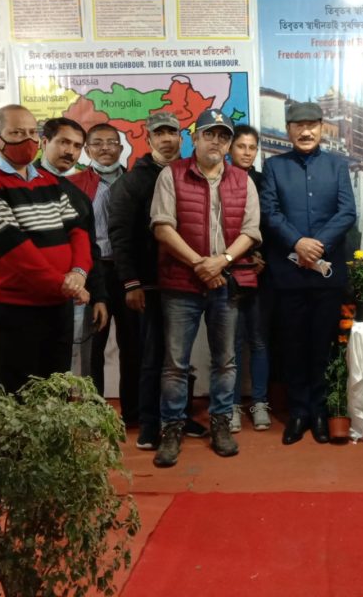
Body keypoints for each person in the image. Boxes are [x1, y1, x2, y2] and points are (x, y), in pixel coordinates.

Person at [150, 108, 261, 467]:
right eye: (209, 134)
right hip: (181, 283)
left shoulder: (242, 180)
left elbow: (251, 232)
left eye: (223, 136)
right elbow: (162, 227)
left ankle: (220, 424)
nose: (216, 141)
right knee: (175, 363)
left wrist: (221, 261)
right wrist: (201, 264)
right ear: (195, 137)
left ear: (229, 144)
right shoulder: (171, 174)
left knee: (225, 361)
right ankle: (172, 428)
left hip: (225, 281)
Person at [108, 111, 207, 450]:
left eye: (172, 133)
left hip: (185, 280)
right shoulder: (131, 182)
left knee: (179, 356)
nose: (166, 139)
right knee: (151, 358)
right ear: (148, 138)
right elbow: (119, 235)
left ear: (182, 137)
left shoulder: (190, 174)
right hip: (149, 284)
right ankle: (150, 424)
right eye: (159, 133)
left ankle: (178, 416)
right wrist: (131, 282)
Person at [260, 101, 356, 445]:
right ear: (288, 130)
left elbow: (347, 213)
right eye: (298, 126)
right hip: (288, 275)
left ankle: (319, 412)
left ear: (321, 128)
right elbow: (269, 212)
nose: (305, 131)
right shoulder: (274, 167)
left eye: (312, 125)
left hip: (326, 277)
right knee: (292, 345)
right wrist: (297, 242)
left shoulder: (337, 165)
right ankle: (298, 413)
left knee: (322, 345)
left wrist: (318, 245)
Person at [0, 105, 91, 393]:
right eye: (17, 133)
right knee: (14, 395)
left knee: (55, 389)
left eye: (33, 132)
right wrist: (64, 284)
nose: (28, 140)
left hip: (58, 305)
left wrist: (79, 273)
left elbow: (77, 230)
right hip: (14, 309)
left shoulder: (48, 180)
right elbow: (11, 247)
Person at [70, 123, 140, 424]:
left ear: (121, 148)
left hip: (128, 272)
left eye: (111, 143)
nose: (105, 149)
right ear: (87, 150)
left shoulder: (135, 181)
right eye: (97, 143)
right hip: (92, 271)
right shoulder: (75, 184)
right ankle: (95, 413)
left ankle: (134, 412)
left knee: (132, 343)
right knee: (93, 346)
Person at [38, 118, 108, 375]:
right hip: (23, 300)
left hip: (70, 300)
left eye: (77, 146)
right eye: (63, 142)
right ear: (44, 142)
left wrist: (99, 297)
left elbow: (91, 250)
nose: (70, 151)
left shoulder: (78, 197)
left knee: (64, 371)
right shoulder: (19, 186)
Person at [229, 124, 271, 432]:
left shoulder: (263, 182)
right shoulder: (219, 178)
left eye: (252, 147)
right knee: (230, 344)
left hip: (259, 274)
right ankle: (230, 405)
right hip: (227, 272)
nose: (247, 152)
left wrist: (261, 256)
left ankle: (259, 402)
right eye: (241, 146)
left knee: (258, 340)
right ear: (230, 148)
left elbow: (270, 224)